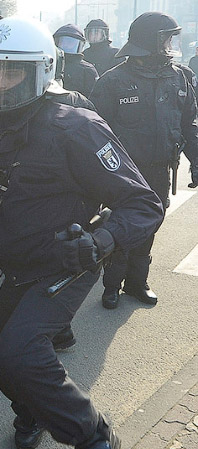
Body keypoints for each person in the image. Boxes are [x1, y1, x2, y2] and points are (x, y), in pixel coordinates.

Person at [0, 17, 162, 449]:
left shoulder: (75, 126)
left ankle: (93, 433)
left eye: (13, 73)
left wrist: (101, 243)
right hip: (17, 265)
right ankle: (32, 412)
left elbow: (143, 204)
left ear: (40, 72)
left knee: (22, 354)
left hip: (65, 261)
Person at [90, 11, 198, 309]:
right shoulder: (113, 81)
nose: (170, 44)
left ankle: (137, 283)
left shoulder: (179, 76)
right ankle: (112, 285)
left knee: (150, 225)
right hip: (123, 174)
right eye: (165, 38)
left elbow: (189, 123)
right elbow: (94, 135)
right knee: (123, 225)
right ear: (150, 41)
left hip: (159, 170)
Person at [53, 24, 98, 96]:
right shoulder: (50, 65)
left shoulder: (87, 70)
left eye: (70, 42)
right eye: (63, 41)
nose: (66, 45)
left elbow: (94, 97)